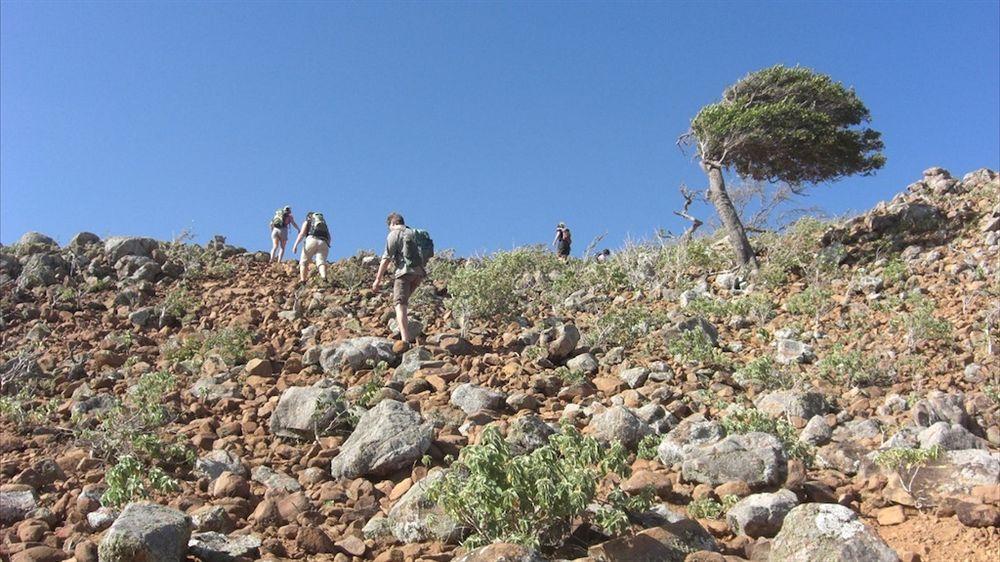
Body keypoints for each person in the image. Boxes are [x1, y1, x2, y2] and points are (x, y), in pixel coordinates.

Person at [372, 212, 425, 345]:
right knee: (404, 302)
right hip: (419, 273)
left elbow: (386, 258)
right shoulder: (413, 232)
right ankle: (410, 333)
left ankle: (405, 340)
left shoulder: (394, 234)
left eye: (389, 226)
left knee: (400, 306)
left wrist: (378, 279)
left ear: (393, 223)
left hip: (404, 273)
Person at [292, 211, 331, 283]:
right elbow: (329, 237)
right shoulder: (324, 224)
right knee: (321, 261)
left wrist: (295, 245)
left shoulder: (307, 222)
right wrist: (327, 245)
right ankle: (324, 277)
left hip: (311, 240)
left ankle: (303, 280)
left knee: (304, 262)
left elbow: (302, 234)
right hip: (323, 242)